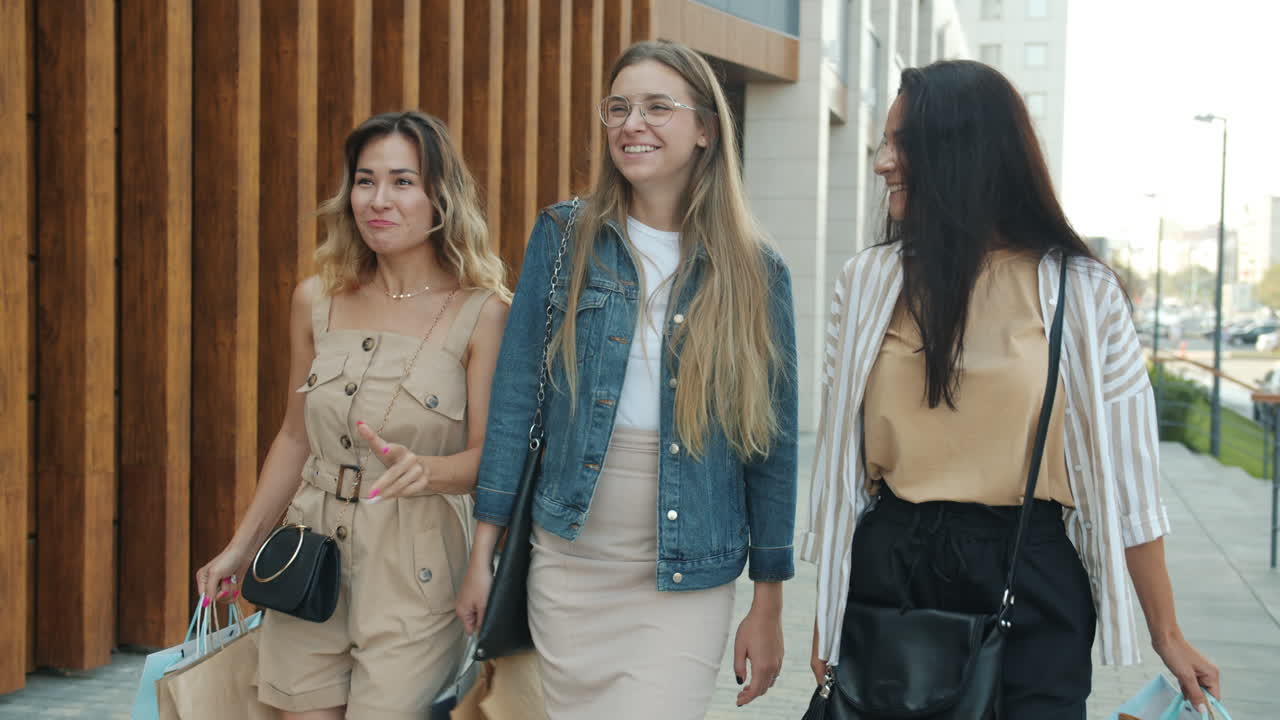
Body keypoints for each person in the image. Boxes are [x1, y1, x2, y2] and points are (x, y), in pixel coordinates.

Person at [805, 60, 1221, 718]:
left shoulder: (1082, 294)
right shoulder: (866, 284)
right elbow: (837, 468)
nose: (882, 162)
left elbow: (1131, 479)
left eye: (901, 143)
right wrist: (828, 612)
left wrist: (1166, 633)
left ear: (963, 150)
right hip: (895, 565)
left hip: (1031, 572)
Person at [455, 40, 799, 719]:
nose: (631, 123)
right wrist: (483, 553)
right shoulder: (564, 236)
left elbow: (774, 446)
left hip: (687, 573)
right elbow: (516, 400)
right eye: (619, 108)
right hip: (570, 561)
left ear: (705, 128)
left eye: (656, 107)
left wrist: (769, 601)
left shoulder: (757, 271)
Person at [195, 110, 510, 719]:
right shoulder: (316, 299)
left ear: (440, 198)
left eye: (401, 181)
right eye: (365, 181)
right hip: (307, 553)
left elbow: (490, 459)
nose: (377, 201)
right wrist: (241, 546)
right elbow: (293, 436)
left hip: (415, 563)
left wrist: (433, 473)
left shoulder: (484, 313)